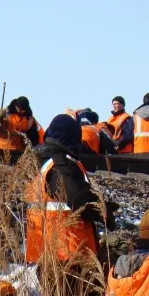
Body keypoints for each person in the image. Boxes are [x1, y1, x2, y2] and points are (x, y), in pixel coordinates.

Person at [25, 112, 106, 264]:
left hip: (43, 252)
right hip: (68, 255)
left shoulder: (39, 163)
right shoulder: (61, 165)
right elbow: (78, 201)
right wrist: (103, 211)